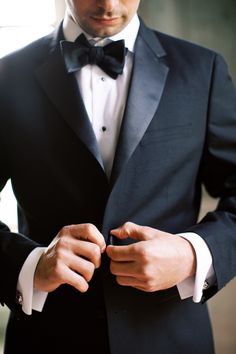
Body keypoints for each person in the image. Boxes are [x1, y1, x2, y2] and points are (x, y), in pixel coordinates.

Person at [0, 0, 235, 353]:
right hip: (47, 338)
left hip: (170, 340)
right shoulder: (6, 78)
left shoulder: (204, 70)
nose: (108, 3)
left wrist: (191, 253)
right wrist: (29, 264)